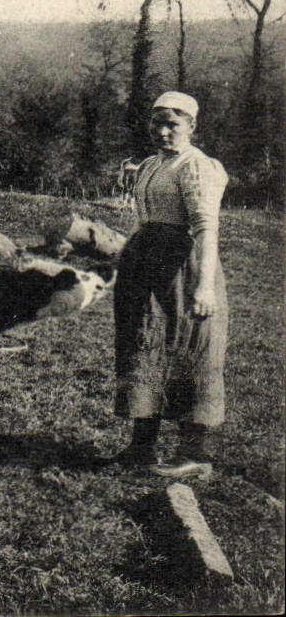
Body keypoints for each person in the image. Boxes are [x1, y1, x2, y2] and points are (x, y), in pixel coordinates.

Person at [107, 91, 228, 478]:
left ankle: (194, 453)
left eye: (172, 124)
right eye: (157, 123)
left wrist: (204, 286)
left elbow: (206, 228)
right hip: (145, 266)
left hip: (181, 266)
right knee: (145, 344)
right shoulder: (151, 164)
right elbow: (146, 215)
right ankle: (142, 447)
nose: (163, 131)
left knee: (189, 349)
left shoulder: (197, 166)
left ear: (191, 126)